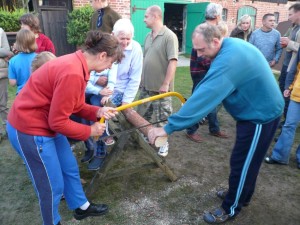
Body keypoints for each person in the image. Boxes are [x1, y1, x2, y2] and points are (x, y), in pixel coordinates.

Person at [148, 24, 283, 224]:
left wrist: (168, 127)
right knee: (246, 161)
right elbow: (208, 89)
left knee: (243, 163)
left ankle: (231, 207)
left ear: (216, 41)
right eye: (196, 50)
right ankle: (241, 196)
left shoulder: (229, 59)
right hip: (257, 112)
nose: (200, 55)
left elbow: (205, 96)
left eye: (202, 49)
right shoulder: (230, 46)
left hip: (260, 116)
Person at [6, 30, 123, 225]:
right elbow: (58, 122)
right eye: (111, 62)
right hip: (29, 129)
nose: (110, 66)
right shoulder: (73, 71)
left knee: (69, 167)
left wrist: (97, 112)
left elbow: (74, 105)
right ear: (102, 55)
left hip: (47, 124)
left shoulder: (79, 64)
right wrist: (90, 131)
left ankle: (81, 207)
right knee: (51, 186)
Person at [137, 5, 178, 157]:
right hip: (146, 86)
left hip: (162, 89)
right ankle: (145, 136)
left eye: (146, 16)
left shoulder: (169, 36)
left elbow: (173, 62)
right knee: (142, 114)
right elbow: (145, 59)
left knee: (163, 118)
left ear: (155, 17)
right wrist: (142, 79)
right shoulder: (148, 36)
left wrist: (166, 83)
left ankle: (163, 144)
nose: (144, 19)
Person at [186, 3, 228, 143]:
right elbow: (202, 56)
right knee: (200, 102)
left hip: (203, 72)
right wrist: (216, 67)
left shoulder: (207, 28)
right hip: (202, 73)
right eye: (221, 14)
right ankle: (191, 130)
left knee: (212, 101)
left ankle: (214, 128)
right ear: (217, 15)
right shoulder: (206, 30)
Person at [265, 45, 300, 169]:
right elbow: (295, 69)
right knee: (289, 125)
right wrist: (288, 86)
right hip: (297, 94)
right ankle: (280, 156)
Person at [277, 3, 300, 127]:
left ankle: (288, 123)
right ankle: (284, 120)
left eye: (291, 14)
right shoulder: (294, 27)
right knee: (283, 92)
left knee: (288, 95)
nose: (289, 17)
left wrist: (289, 43)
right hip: (287, 66)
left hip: (294, 69)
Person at [8, 29, 37, 95]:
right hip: (37, 93)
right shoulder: (39, 58)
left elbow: (12, 83)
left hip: (22, 95)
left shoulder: (13, 61)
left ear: (18, 43)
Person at [0, 27, 13, 142]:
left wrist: (3, 52)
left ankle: (9, 130)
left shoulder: (0, 31)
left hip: (1, 73)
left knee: (3, 104)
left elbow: (6, 51)